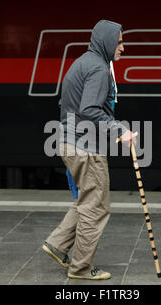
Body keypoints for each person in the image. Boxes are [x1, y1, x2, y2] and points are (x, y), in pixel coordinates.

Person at [41, 20, 136, 280]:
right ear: (106, 41)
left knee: (87, 200)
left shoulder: (83, 62)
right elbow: (90, 109)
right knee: (97, 207)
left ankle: (57, 244)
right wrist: (120, 130)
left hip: (69, 142)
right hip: (85, 148)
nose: (123, 48)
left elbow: (69, 103)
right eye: (119, 42)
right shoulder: (98, 69)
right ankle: (81, 267)